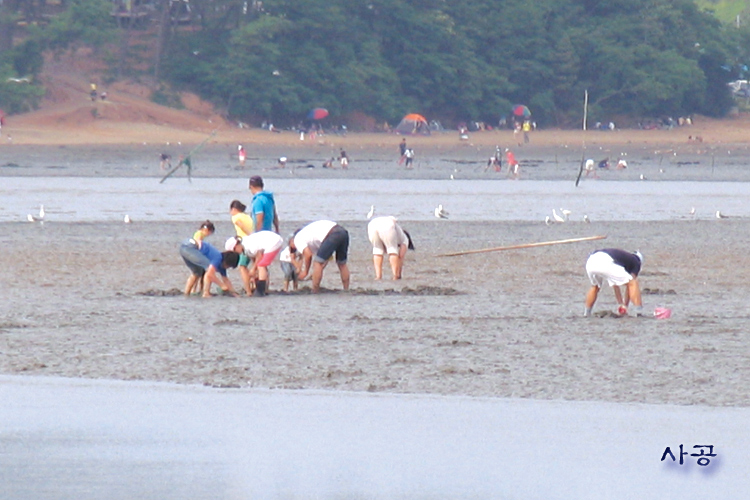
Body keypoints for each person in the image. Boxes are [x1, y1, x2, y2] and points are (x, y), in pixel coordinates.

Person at [288, 220, 350, 293]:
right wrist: (316, 272)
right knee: (341, 263)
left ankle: (315, 290)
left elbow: (308, 255)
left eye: (292, 248)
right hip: (343, 232)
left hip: (332, 234)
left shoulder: (297, 239)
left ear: (291, 241)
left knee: (317, 263)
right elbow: (327, 258)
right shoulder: (310, 237)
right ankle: (346, 290)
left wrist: (305, 272)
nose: (295, 250)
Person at [584, 248, 644, 317]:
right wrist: (625, 305)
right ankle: (639, 313)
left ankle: (587, 313)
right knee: (633, 283)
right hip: (606, 260)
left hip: (591, 260)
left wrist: (621, 304)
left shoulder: (622, 258)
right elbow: (630, 287)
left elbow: (615, 283)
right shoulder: (636, 263)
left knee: (595, 286)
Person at [225, 230, 283, 296]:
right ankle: (263, 289)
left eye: (235, 250)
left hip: (274, 242)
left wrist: (253, 269)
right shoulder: (244, 247)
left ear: (237, 245)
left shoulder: (248, 245)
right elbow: (254, 258)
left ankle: (261, 290)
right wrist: (254, 272)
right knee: (259, 266)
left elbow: (259, 255)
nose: (237, 253)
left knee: (261, 265)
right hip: (270, 241)